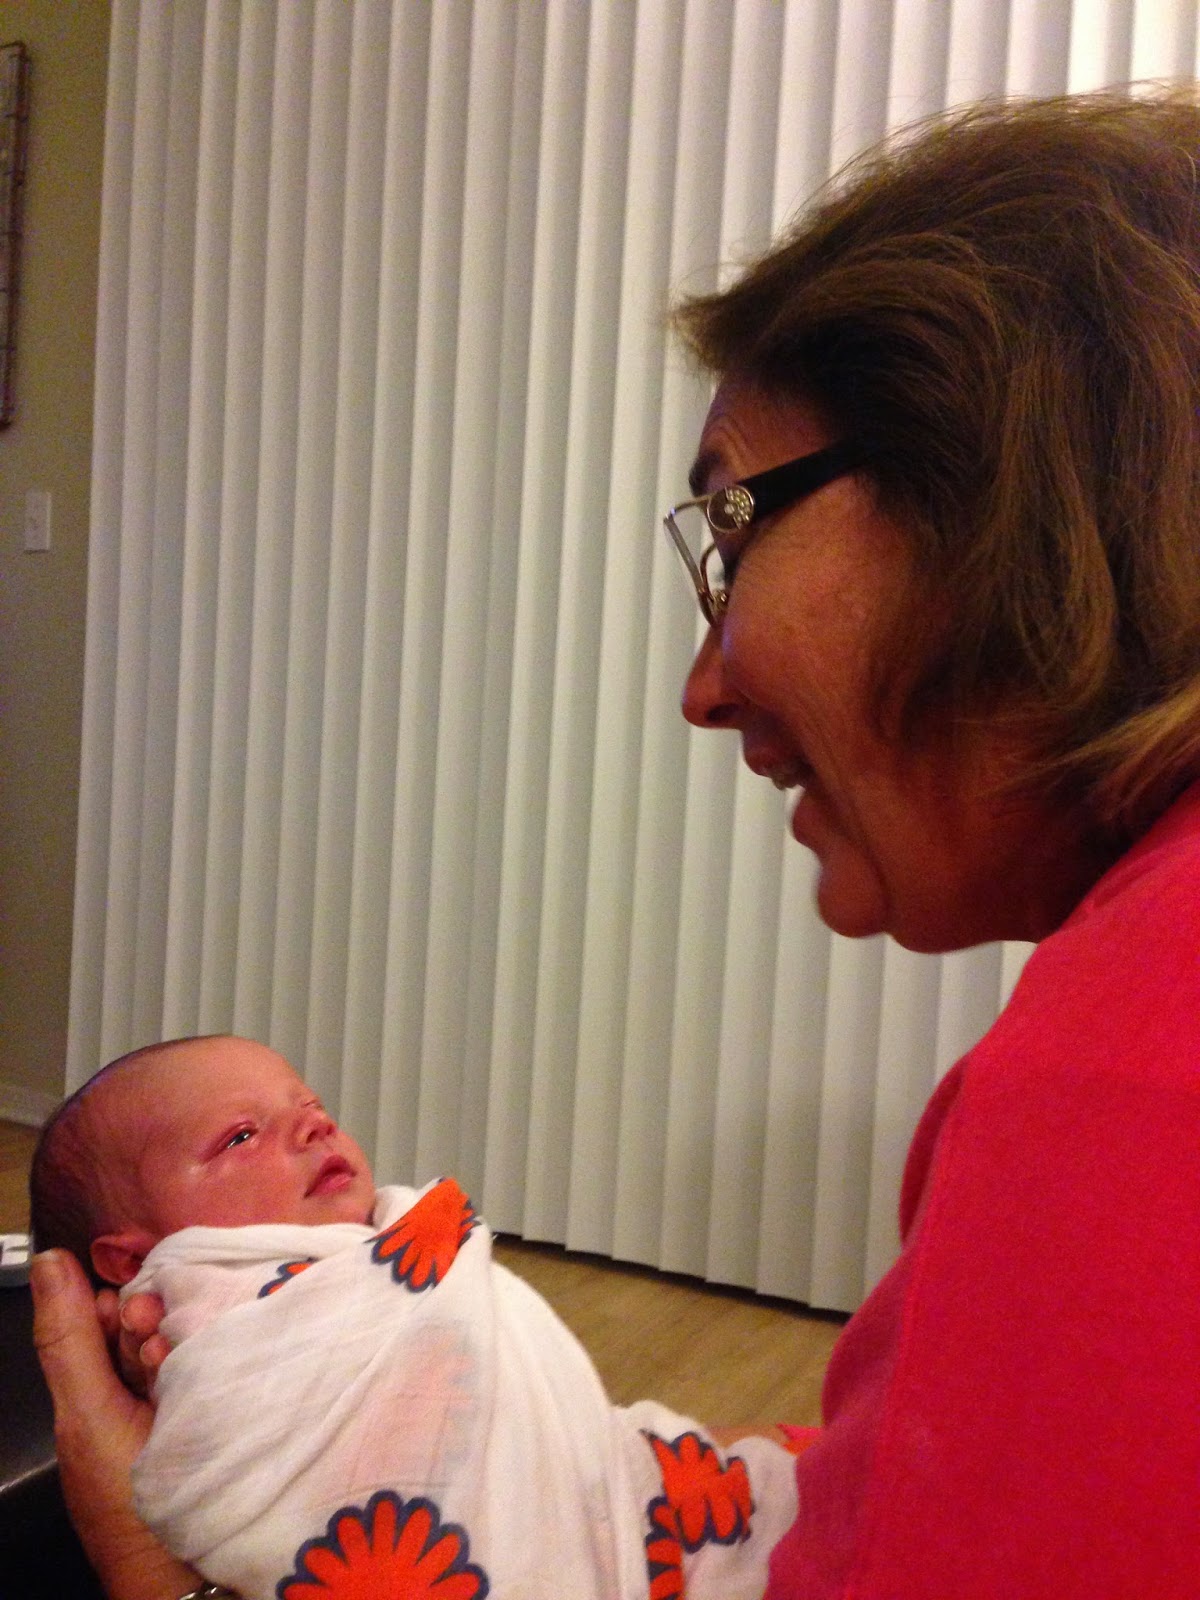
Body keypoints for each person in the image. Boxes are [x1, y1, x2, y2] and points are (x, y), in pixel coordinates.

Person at [30, 84, 1200, 1598]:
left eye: (733, 532)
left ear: (997, 501)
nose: (703, 687)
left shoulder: (1133, 1084)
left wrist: (162, 1579)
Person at [30, 1034, 798, 1600]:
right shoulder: (210, 1316)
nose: (314, 1127)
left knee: (777, 1489)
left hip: (612, 1492)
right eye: (240, 1136)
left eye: (312, 1109)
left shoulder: (372, 1257)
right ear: (130, 1261)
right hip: (431, 1555)